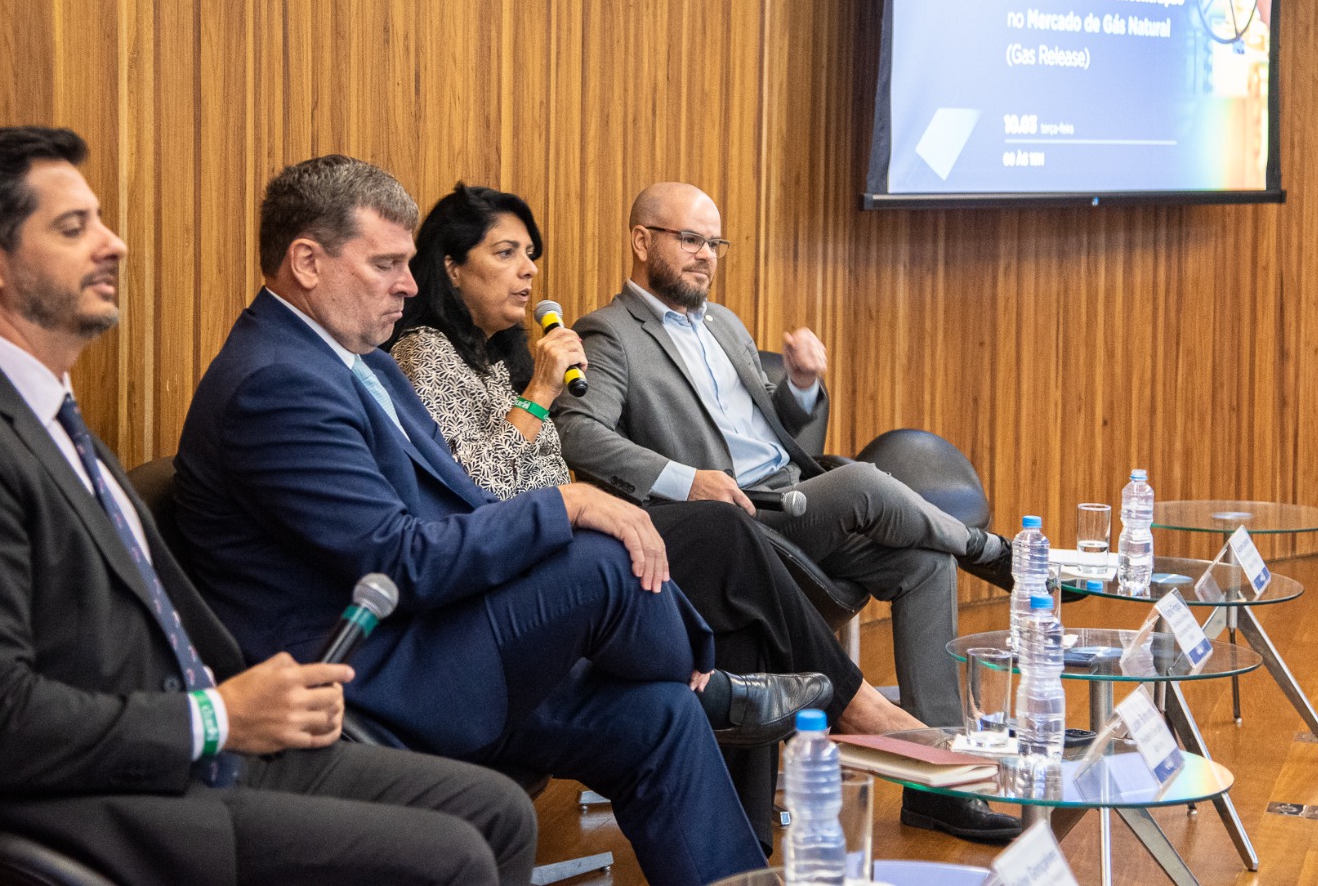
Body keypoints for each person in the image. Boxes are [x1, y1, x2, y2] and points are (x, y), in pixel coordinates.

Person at [0, 127, 539, 886]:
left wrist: (253, 706)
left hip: (192, 750)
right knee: (450, 854)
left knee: (496, 811)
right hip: (85, 802)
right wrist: (218, 717)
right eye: (74, 228)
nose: (115, 244)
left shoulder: (39, 409)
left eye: (100, 220)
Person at [173, 156, 825, 886]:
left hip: (437, 639)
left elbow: (462, 504)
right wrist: (564, 505)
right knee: (602, 558)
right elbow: (400, 561)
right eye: (386, 263)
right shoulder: (276, 384)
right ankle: (712, 684)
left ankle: (699, 703)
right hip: (370, 681)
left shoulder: (363, 363)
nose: (409, 283)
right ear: (306, 262)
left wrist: (560, 523)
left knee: (659, 715)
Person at [388, 182, 926, 850]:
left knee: (740, 612)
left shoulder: (502, 356)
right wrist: (539, 398)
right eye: (505, 253)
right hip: (517, 575)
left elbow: (546, 469)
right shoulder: (423, 354)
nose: (529, 270)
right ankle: (859, 704)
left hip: (567, 544)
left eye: (531, 254)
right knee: (729, 530)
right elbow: (469, 489)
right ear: (450, 265)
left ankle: (746, 845)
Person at [552, 181, 1022, 843]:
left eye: (714, 243)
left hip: (792, 499)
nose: (706, 256)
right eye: (690, 239)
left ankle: (932, 786)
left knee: (920, 559)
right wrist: (686, 482)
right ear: (640, 241)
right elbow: (580, 434)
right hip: (728, 524)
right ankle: (994, 555)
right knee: (861, 482)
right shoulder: (609, 334)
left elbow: (785, 438)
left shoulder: (724, 324)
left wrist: (800, 386)